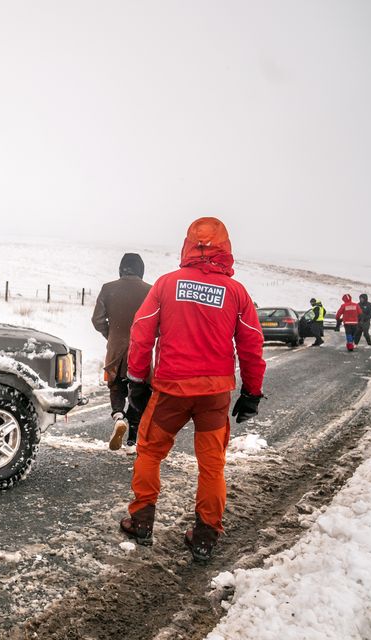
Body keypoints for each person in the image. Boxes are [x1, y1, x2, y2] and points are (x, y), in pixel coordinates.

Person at [119, 217, 265, 562]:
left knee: (150, 452)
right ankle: (204, 536)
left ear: (188, 245)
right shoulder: (237, 293)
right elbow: (252, 346)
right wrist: (251, 393)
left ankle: (141, 521)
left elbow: (141, 334)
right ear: (225, 247)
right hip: (214, 394)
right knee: (212, 465)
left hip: (170, 389)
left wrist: (137, 381)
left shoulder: (167, 285)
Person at [91, 253, 152, 450]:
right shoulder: (150, 291)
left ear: (121, 268)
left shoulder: (108, 289)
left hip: (115, 349)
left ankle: (118, 416)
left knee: (116, 385)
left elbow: (97, 320)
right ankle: (132, 438)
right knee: (139, 391)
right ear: (141, 270)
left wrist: (112, 335)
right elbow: (158, 324)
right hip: (140, 351)